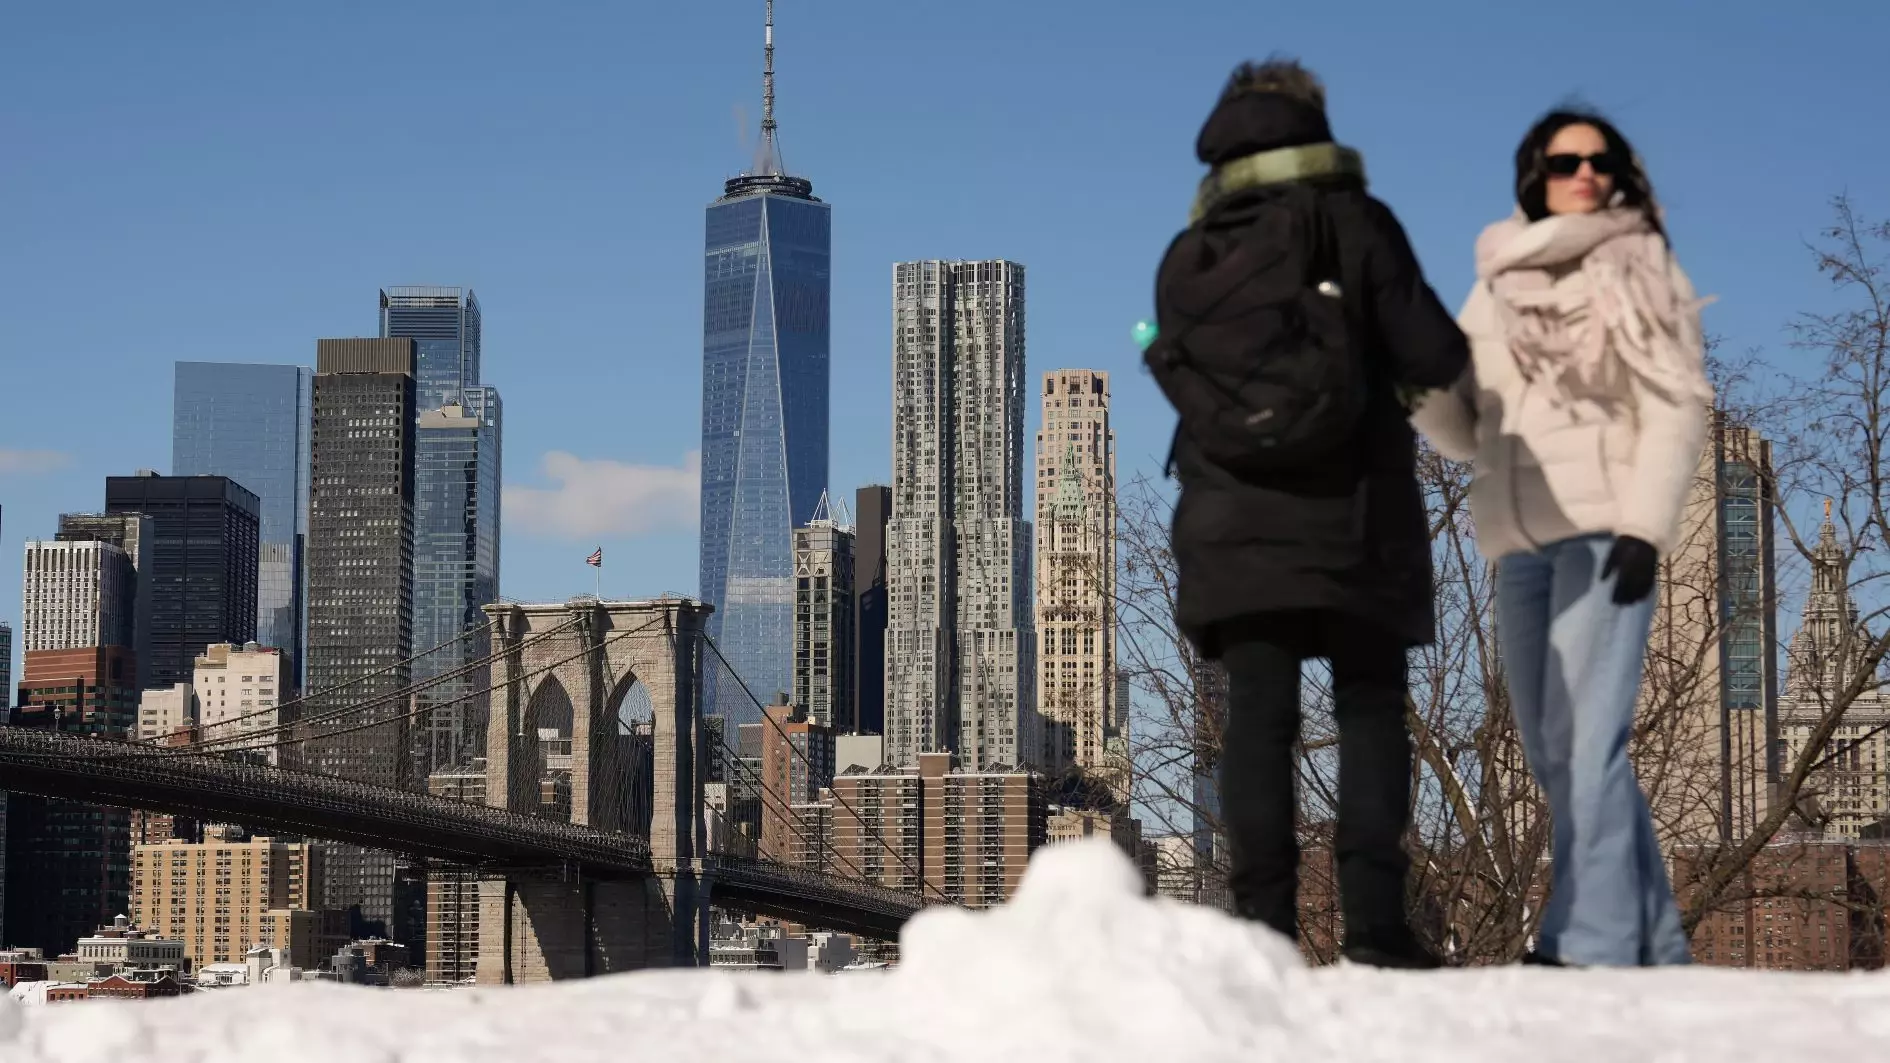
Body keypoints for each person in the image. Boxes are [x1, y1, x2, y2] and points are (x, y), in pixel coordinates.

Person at [1154, 58, 1469, 968]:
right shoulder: (1357, 224)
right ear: (1316, 128)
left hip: (1231, 529)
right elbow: (1437, 352)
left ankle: (1263, 935)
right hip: (1353, 514)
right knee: (1370, 708)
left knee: (1258, 718)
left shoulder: (1192, 253)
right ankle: (1374, 931)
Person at [1410, 109, 1711, 967]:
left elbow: (1677, 401)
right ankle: (1655, 939)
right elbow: (1469, 430)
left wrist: (1646, 527)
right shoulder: (1498, 277)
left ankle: (1593, 940)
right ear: (1531, 173)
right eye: (1563, 159)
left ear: (1619, 171)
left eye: (1599, 158)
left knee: (1588, 741)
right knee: (1552, 752)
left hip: (1602, 532)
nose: (1583, 171)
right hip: (1518, 544)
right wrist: (1419, 386)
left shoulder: (1639, 264)